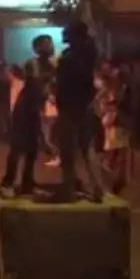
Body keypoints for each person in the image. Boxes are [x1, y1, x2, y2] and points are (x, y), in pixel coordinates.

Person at [53, 20, 105, 202]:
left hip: (71, 107)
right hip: (82, 106)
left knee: (68, 150)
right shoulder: (87, 54)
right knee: (86, 148)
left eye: (67, 31)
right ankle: (98, 188)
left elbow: (65, 82)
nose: (63, 34)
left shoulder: (73, 58)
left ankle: (70, 189)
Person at [0, 35, 55, 196]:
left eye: (50, 43)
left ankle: (27, 181)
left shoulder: (50, 66)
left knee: (33, 148)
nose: (50, 47)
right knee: (17, 147)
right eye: (46, 44)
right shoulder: (33, 64)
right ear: (37, 49)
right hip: (24, 108)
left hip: (35, 108)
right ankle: (8, 181)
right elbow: (36, 83)